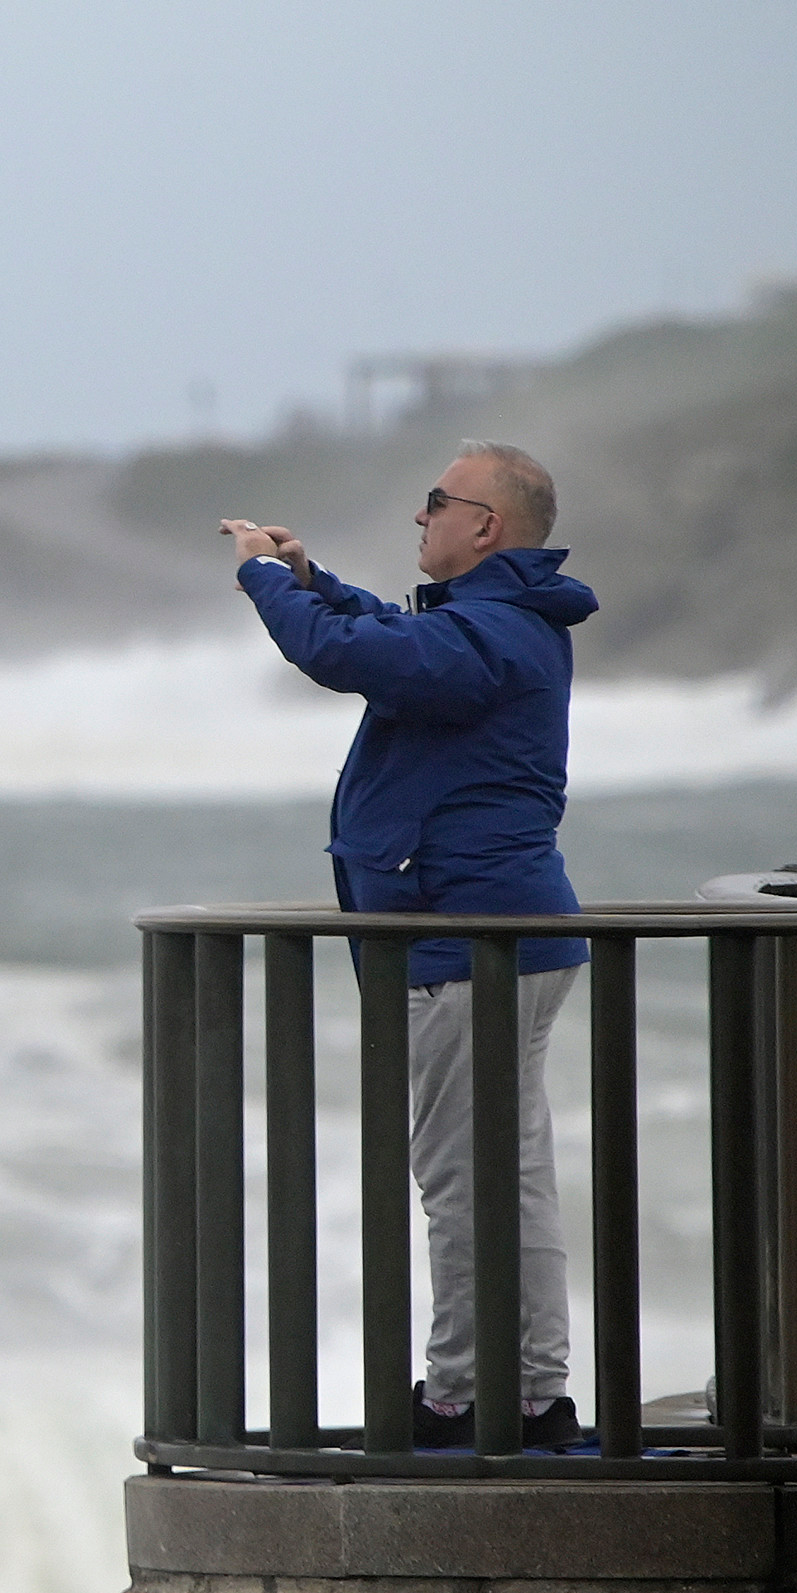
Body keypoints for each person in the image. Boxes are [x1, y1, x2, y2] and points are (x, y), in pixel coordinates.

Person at [218, 443, 597, 1451]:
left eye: (437, 503)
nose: (419, 518)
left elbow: (350, 657)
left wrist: (263, 581)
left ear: (488, 527)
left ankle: (466, 1398)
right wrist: (311, 580)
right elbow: (381, 632)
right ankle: (529, 1395)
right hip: (490, 933)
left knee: (462, 1180)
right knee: (503, 1175)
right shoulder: (492, 626)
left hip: (469, 936)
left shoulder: (494, 636)